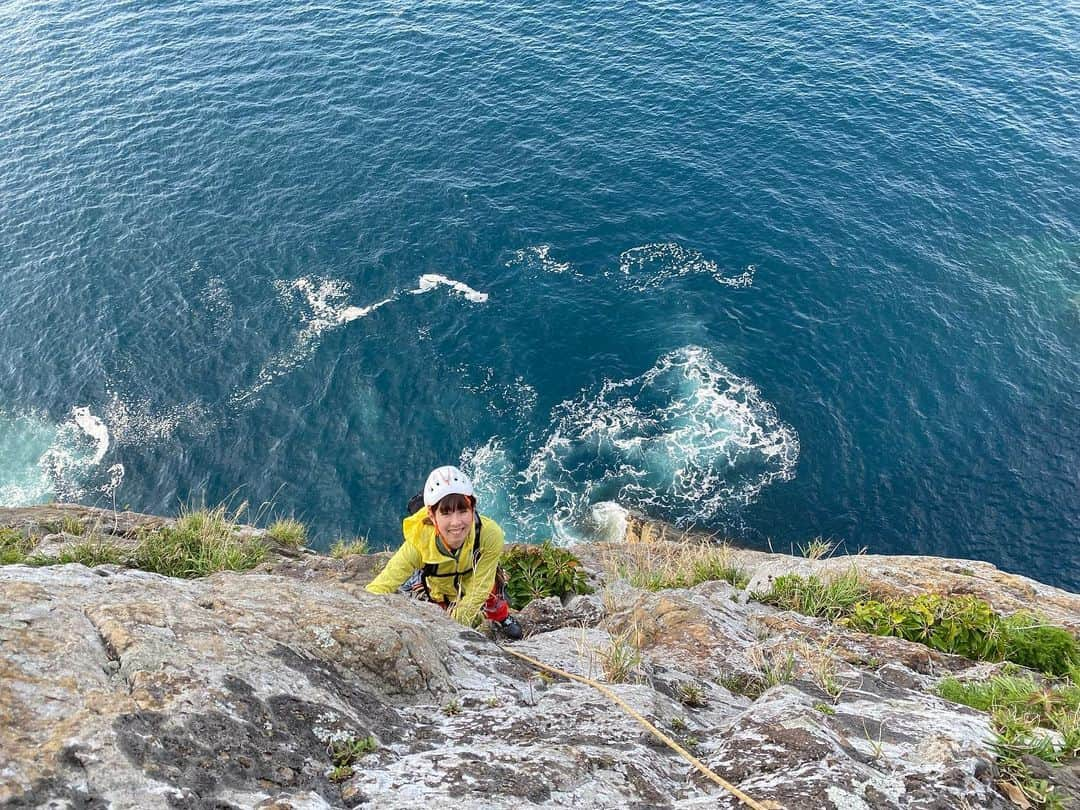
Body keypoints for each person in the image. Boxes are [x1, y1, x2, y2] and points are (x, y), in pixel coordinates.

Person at [365, 465, 523, 640]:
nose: (456, 523)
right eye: (446, 513)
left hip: (475, 578)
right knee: (436, 607)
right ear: (432, 516)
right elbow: (382, 584)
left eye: (463, 511)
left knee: (491, 596)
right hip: (439, 589)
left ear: (473, 510)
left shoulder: (489, 535)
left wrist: (454, 626)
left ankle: (502, 617)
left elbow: (481, 587)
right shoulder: (419, 545)